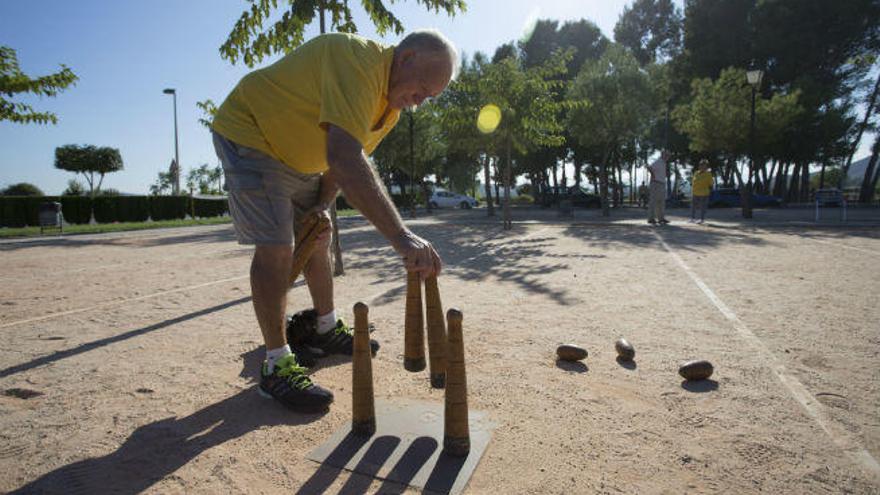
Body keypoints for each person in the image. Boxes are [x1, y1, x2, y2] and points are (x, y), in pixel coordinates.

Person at [211, 30, 456, 412]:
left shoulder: (389, 105)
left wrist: (322, 205)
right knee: (278, 246)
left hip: (302, 160)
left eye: (429, 98)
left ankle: (325, 328)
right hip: (253, 135)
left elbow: (340, 161)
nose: (419, 103)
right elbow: (344, 157)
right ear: (406, 57)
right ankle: (276, 365)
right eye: (422, 88)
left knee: (317, 235)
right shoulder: (355, 59)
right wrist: (402, 237)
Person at [647, 151, 669, 225]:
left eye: (668, 155)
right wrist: (653, 175)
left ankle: (661, 218)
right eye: (666, 155)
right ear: (662, 155)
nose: (667, 157)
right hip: (656, 183)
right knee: (653, 201)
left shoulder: (664, 163)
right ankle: (651, 218)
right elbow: (649, 167)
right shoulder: (658, 161)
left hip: (661, 183)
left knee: (661, 202)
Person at [690, 159, 712, 223]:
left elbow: (711, 184)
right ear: (699, 166)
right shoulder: (696, 173)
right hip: (695, 192)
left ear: (706, 167)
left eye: (704, 165)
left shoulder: (708, 174)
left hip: (704, 193)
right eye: (701, 165)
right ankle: (692, 218)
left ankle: (702, 219)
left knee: (703, 207)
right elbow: (693, 181)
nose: (702, 167)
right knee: (693, 206)